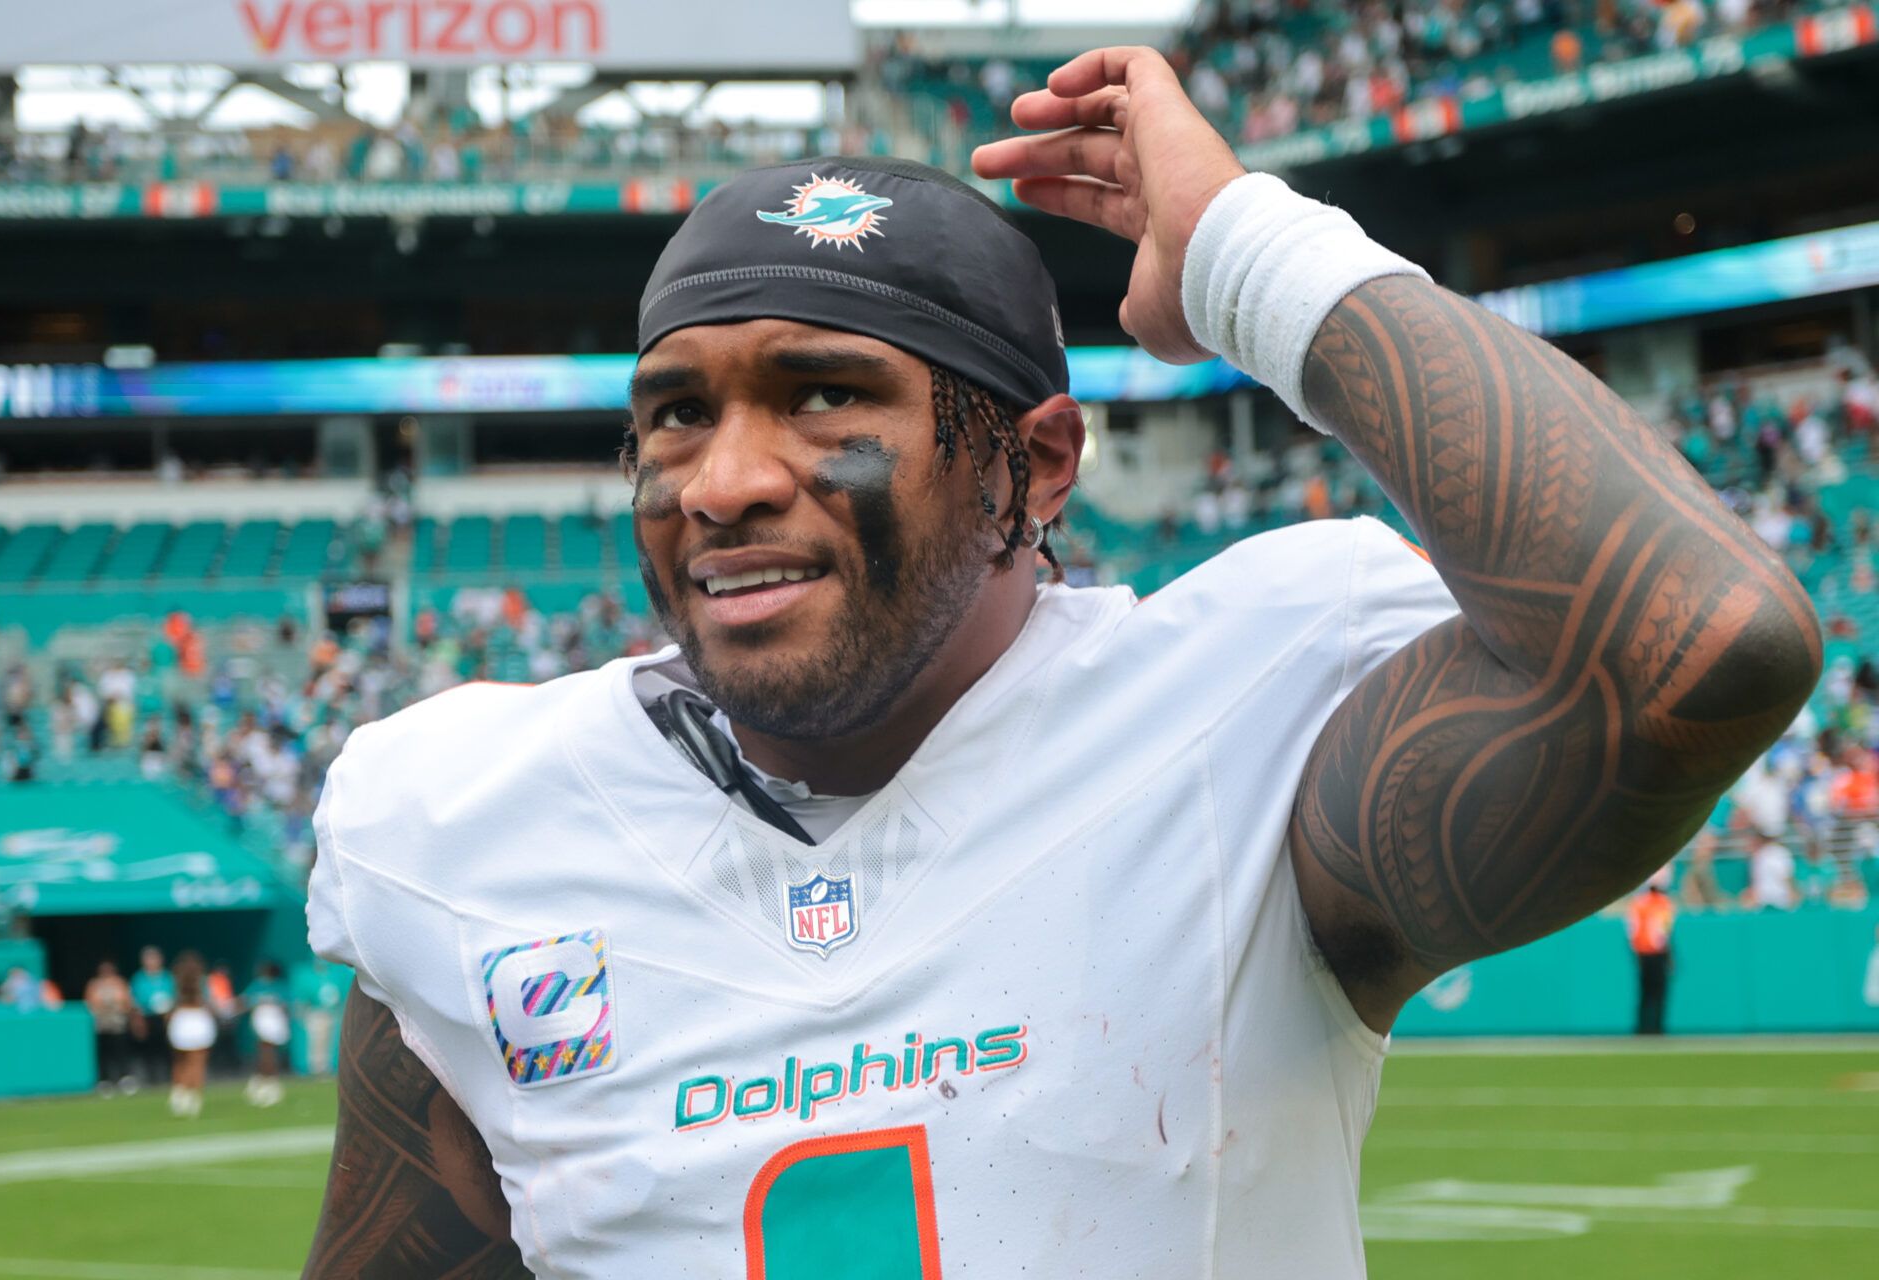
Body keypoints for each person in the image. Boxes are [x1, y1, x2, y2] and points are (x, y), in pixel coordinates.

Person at [300, 49, 1820, 1277]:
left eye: (827, 397)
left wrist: (1248, 254)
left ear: (1032, 470)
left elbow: (1700, 642)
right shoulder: (464, 827)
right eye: (676, 413)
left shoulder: (1240, 731)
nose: (722, 480)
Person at [166, 950, 217, 1118]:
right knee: (197, 1061)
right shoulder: (202, 982)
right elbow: (210, 1003)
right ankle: (193, 1096)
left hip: (182, 1019)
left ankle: (179, 1092)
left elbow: (171, 1004)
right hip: (198, 1019)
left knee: (180, 1060)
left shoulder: (176, 981)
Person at [1626, 877, 1675, 1034]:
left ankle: (1644, 1027)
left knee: (1646, 993)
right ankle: (1655, 1027)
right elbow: (1663, 933)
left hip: (1642, 953)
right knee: (1657, 993)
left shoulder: (1639, 903)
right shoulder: (1663, 903)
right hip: (1656, 953)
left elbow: (1632, 930)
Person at [83, 959, 137, 1095]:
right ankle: (105, 1081)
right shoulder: (94, 984)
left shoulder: (119, 982)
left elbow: (126, 1002)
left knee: (120, 1051)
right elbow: (91, 1002)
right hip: (102, 1025)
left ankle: (125, 1078)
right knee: (104, 1054)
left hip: (117, 1024)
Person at [244, 960, 292, 1107]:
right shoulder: (257, 985)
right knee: (264, 1051)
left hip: (274, 1023)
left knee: (269, 1052)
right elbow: (246, 1001)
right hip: (261, 1023)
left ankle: (271, 1081)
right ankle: (263, 1078)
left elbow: (287, 1005)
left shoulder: (279, 986)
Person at [129, 945, 174, 1084]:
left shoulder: (167, 977)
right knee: (150, 1050)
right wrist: (137, 1020)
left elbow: (174, 996)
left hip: (166, 1017)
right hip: (147, 1017)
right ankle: (151, 1079)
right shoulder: (138, 978)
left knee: (167, 1049)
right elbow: (134, 1000)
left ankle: (168, 1078)